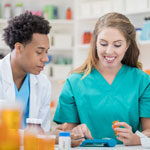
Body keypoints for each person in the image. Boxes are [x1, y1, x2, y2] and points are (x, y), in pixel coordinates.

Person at [53, 12, 150, 146]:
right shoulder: (74, 82)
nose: (109, 51)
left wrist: (136, 139)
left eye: (117, 45)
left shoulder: (142, 80)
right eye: (103, 44)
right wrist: (76, 131)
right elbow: (66, 132)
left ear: (127, 45)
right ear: (95, 43)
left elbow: (149, 130)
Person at [0, 12, 51, 132]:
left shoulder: (43, 84)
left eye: (46, 52)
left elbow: (43, 130)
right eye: (39, 52)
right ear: (19, 48)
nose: (46, 59)